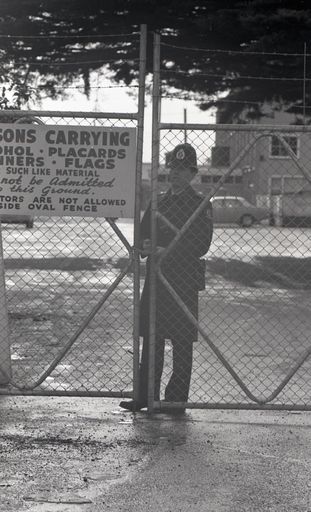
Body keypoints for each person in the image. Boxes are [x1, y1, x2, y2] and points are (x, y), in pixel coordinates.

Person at [120, 143, 213, 413]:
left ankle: (174, 401)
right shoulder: (159, 201)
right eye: (173, 168)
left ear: (192, 173)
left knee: (182, 340)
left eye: (182, 170)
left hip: (183, 280)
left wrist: (166, 252)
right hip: (157, 279)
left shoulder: (200, 204)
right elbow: (143, 232)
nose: (176, 174)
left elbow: (201, 244)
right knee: (152, 338)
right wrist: (145, 245)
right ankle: (145, 397)